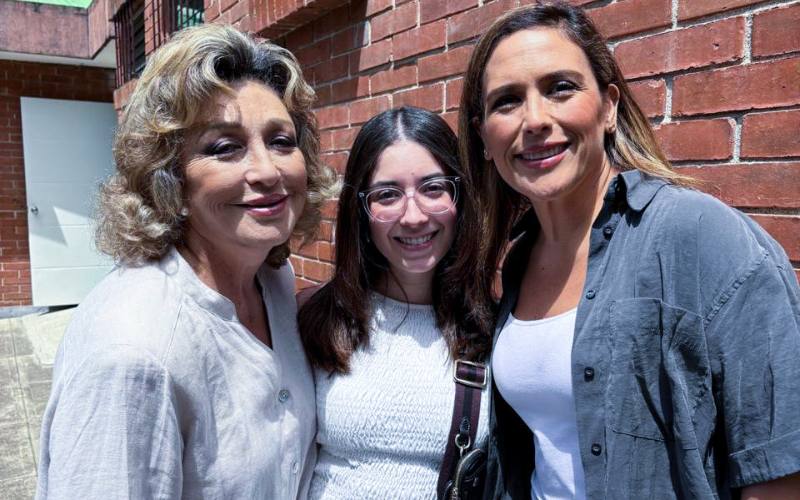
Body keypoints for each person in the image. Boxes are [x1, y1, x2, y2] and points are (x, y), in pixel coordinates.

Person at [457, 2, 800, 499]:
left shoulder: (699, 236)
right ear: (485, 137)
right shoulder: (518, 260)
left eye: (560, 88)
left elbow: (780, 469)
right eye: (507, 101)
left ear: (609, 107)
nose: (535, 119)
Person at [36, 24, 333, 499]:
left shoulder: (273, 279)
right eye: (224, 147)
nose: (267, 170)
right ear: (168, 176)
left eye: (281, 140)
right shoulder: (132, 352)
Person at [298, 106, 496, 498]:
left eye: (433, 188)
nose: (413, 215)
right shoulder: (315, 318)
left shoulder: (494, 328)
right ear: (362, 211)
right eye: (387, 194)